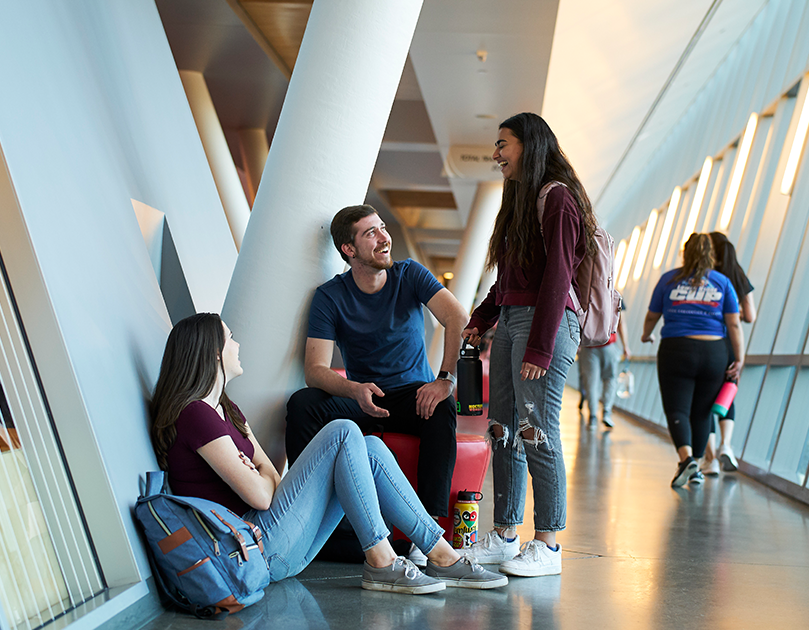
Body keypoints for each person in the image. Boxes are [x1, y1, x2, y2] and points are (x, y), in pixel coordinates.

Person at [151, 313, 506, 595]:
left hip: (275, 542)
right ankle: (381, 561)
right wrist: (258, 473)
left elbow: (271, 478)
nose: (237, 343)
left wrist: (257, 471)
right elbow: (261, 495)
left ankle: (441, 553)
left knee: (371, 447)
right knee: (343, 430)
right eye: (230, 338)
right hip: (253, 550)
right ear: (213, 352)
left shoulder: (227, 410)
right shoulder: (195, 413)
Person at [286, 205, 468, 563]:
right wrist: (353, 389)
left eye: (382, 228)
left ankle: (425, 530)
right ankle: (312, 519)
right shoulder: (330, 296)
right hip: (361, 398)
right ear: (348, 250)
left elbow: (457, 317)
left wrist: (444, 379)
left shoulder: (409, 275)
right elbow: (315, 370)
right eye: (370, 233)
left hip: (412, 397)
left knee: (443, 406)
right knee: (303, 403)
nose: (384, 237)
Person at [459, 112, 597, 577]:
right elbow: (511, 279)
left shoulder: (557, 198)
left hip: (548, 325)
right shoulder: (519, 199)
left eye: (504, 144)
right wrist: (482, 317)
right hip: (514, 321)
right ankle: (504, 535)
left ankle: (549, 544)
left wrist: (539, 347)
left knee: (537, 429)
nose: (496, 154)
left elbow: (558, 276)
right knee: (502, 428)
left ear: (530, 145)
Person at [641, 233, 744, 488]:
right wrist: (739, 357)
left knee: (677, 408)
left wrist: (646, 334)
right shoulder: (722, 282)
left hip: (676, 349)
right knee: (702, 411)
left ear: (685, 253)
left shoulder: (668, 280)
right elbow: (734, 323)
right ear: (711, 254)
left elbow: (653, 315)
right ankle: (695, 464)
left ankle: (687, 459)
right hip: (714, 352)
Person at [701, 232, 756, 475]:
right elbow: (750, 316)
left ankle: (710, 459)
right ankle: (726, 445)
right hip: (732, 346)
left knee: (704, 400)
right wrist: (734, 315)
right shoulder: (738, 275)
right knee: (726, 394)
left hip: (709, 342)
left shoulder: (708, 274)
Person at [577, 305, 631, 428]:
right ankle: (606, 412)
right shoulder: (615, 293)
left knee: (591, 382)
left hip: (588, 346)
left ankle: (593, 417)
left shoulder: (584, 289)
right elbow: (621, 322)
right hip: (608, 345)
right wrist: (625, 346)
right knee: (610, 379)